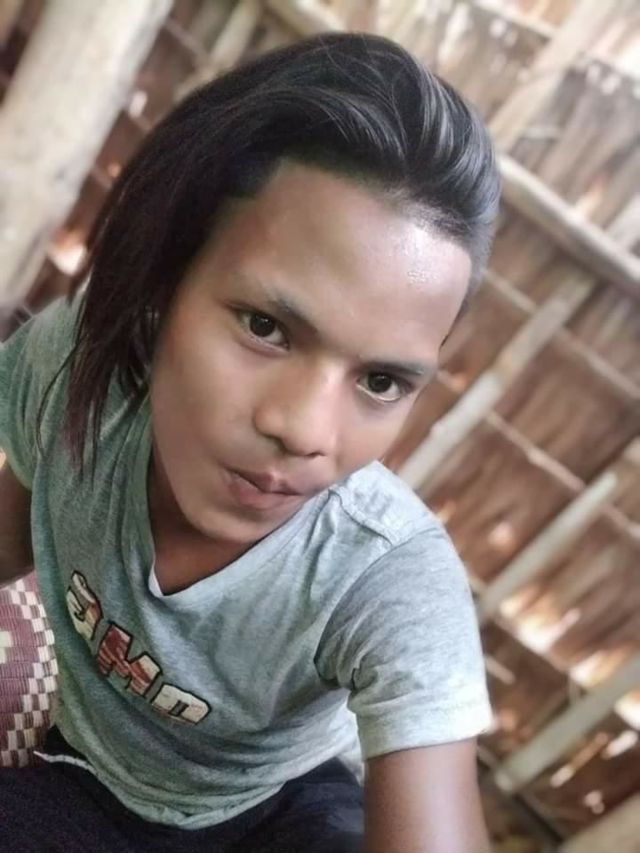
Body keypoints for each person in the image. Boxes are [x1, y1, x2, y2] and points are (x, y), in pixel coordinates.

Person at [0, 31, 500, 853]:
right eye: (265, 326)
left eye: (381, 381)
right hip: (87, 786)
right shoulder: (73, 373)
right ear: (164, 275)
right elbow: (16, 526)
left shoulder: (384, 572)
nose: (305, 429)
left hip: (284, 814)